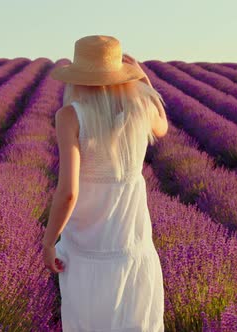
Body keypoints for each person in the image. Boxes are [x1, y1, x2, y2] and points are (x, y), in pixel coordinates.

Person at [41, 35, 168, 331]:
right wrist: (145, 81)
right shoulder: (140, 109)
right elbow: (162, 126)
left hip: (87, 256)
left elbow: (68, 193)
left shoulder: (70, 117)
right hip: (133, 252)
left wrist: (49, 243)